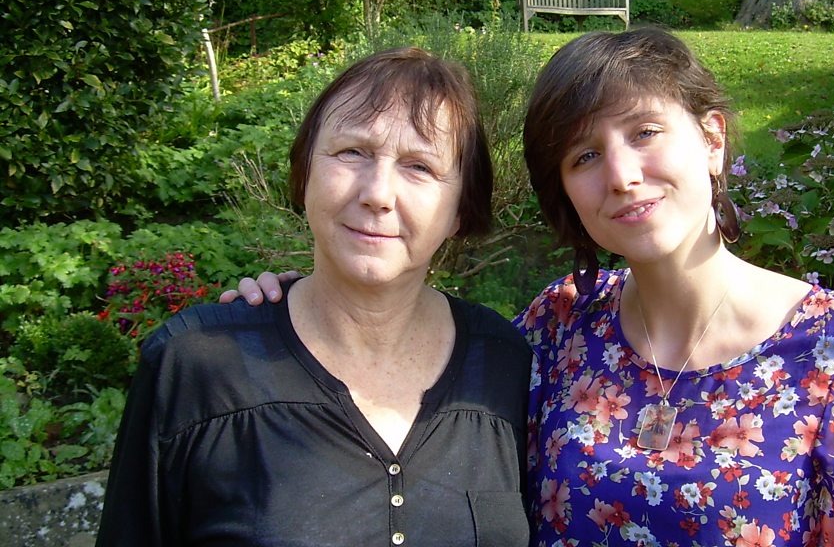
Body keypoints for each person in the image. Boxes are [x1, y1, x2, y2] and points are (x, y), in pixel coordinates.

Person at [223, 28, 834, 546]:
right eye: (583, 155)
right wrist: (308, 308)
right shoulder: (558, 326)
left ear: (712, 139)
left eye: (644, 133)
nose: (620, 175)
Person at [97, 47, 533, 547]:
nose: (378, 194)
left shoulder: (506, 364)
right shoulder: (195, 366)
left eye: (419, 166)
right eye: (353, 152)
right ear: (304, 171)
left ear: (459, 210)